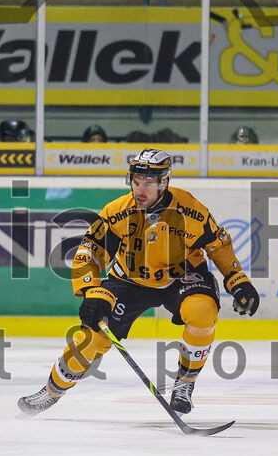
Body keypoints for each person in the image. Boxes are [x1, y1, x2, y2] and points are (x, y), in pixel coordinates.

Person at [18, 148, 260, 417]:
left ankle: (184, 385)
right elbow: (90, 251)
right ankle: (51, 391)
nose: (139, 190)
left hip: (182, 274)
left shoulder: (191, 209)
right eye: (135, 182)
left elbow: (218, 245)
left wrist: (237, 280)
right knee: (91, 339)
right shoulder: (117, 212)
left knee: (202, 312)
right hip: (129, 280)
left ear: (164, 182)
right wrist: (89, 290)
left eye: (147, 183)